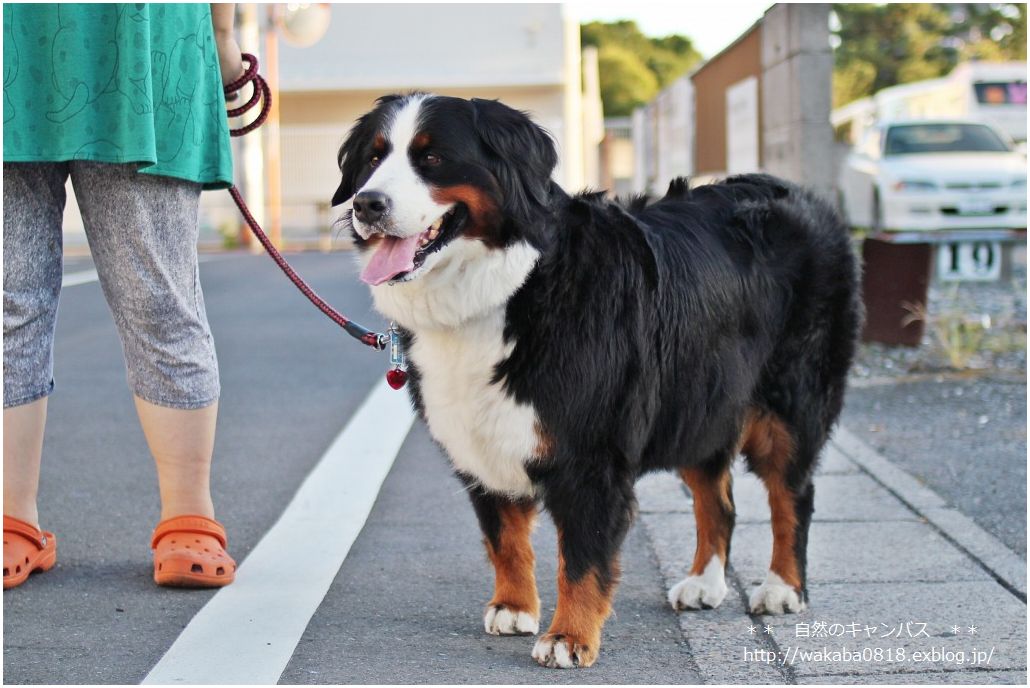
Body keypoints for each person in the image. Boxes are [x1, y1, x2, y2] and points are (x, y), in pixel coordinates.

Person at [3, 3, 244, 590]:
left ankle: (190, 514)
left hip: (143, 39)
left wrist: (221, 32)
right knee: (8, 300)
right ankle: (11, 519)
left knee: (158, 299)